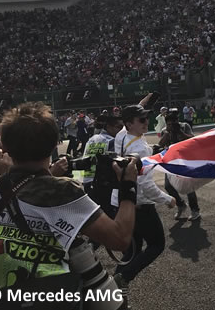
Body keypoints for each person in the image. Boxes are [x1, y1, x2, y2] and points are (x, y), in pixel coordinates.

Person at [0, 102, 137, 310]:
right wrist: (128, 186)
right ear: (54, 143)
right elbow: (120, 238)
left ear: (6, 147)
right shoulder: (62, 190)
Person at [113, 104, 176, 292]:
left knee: (132, 250)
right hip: (140, 203)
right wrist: (168, 199)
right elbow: (147, 186)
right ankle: (122, 277)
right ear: (129, 123)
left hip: (123, 199)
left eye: (147, 118)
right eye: (141, 120)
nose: (146, 122)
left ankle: (113, 289)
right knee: (157, 244)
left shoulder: (121, 135)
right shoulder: (141, 148)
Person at [158, 110, 200, 221]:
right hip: (171, 161)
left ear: (177, 121)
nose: (171, 126)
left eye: (173, 123)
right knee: (168, 186)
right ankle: (181, 205)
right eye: (169, 124)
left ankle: (195, 210)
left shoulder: (184, 126)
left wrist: (179, 131)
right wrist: (167, 134)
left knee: (188, 186)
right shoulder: (164, 131)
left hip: (184, 160)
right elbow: (160, 145)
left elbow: (192, 139)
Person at [81, 114, 125, 218]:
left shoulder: (93, 138)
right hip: (104, 185)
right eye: (119, 127)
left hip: (87, 181)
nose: (122, 130)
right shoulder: (112, 142)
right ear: (109, 127)